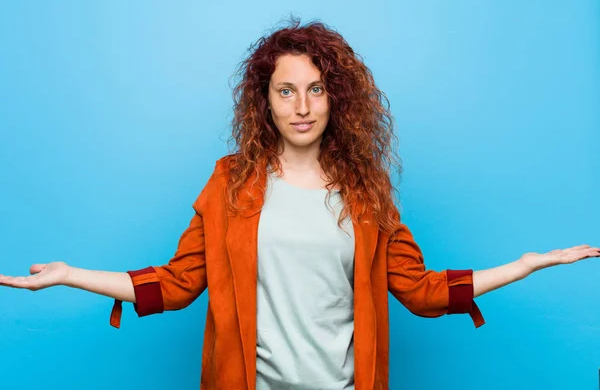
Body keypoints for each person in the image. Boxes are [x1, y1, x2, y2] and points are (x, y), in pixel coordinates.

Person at [0, 19, 598, 390]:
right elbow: (179, 283)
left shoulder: (367, 192)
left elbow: (420, 290)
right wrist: (70, 275)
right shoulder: (230, 182)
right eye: (286, 91)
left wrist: (522, 266)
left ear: (336, 100)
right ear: (266, 102)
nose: (303, 106)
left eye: (316, 90)